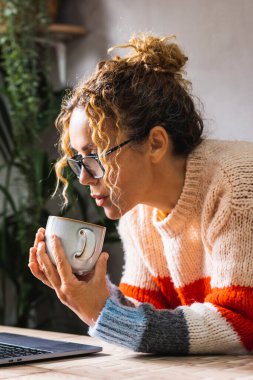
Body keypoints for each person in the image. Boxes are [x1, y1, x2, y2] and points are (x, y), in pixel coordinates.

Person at [29, 34, 253, 354]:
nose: (83, 177)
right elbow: (147, 315)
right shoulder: (138, 212)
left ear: (155, 143)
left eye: (95, 156)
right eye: (78, 160)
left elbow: (240, 322)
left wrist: (97, 311)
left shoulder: (239, 186)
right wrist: (87, 288)